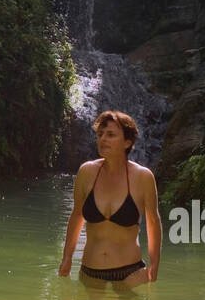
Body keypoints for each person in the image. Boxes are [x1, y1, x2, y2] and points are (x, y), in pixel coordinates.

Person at [57, 109, 161, 287]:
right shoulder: (87, 172)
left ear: (127, 142)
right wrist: (67, 258)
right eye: (100, 134)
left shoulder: (143, 177)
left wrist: (154, 265)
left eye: (111, 134)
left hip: (130, 273)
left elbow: (153, 221)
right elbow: (77, 216)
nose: (103, 139)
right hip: (90, 272)